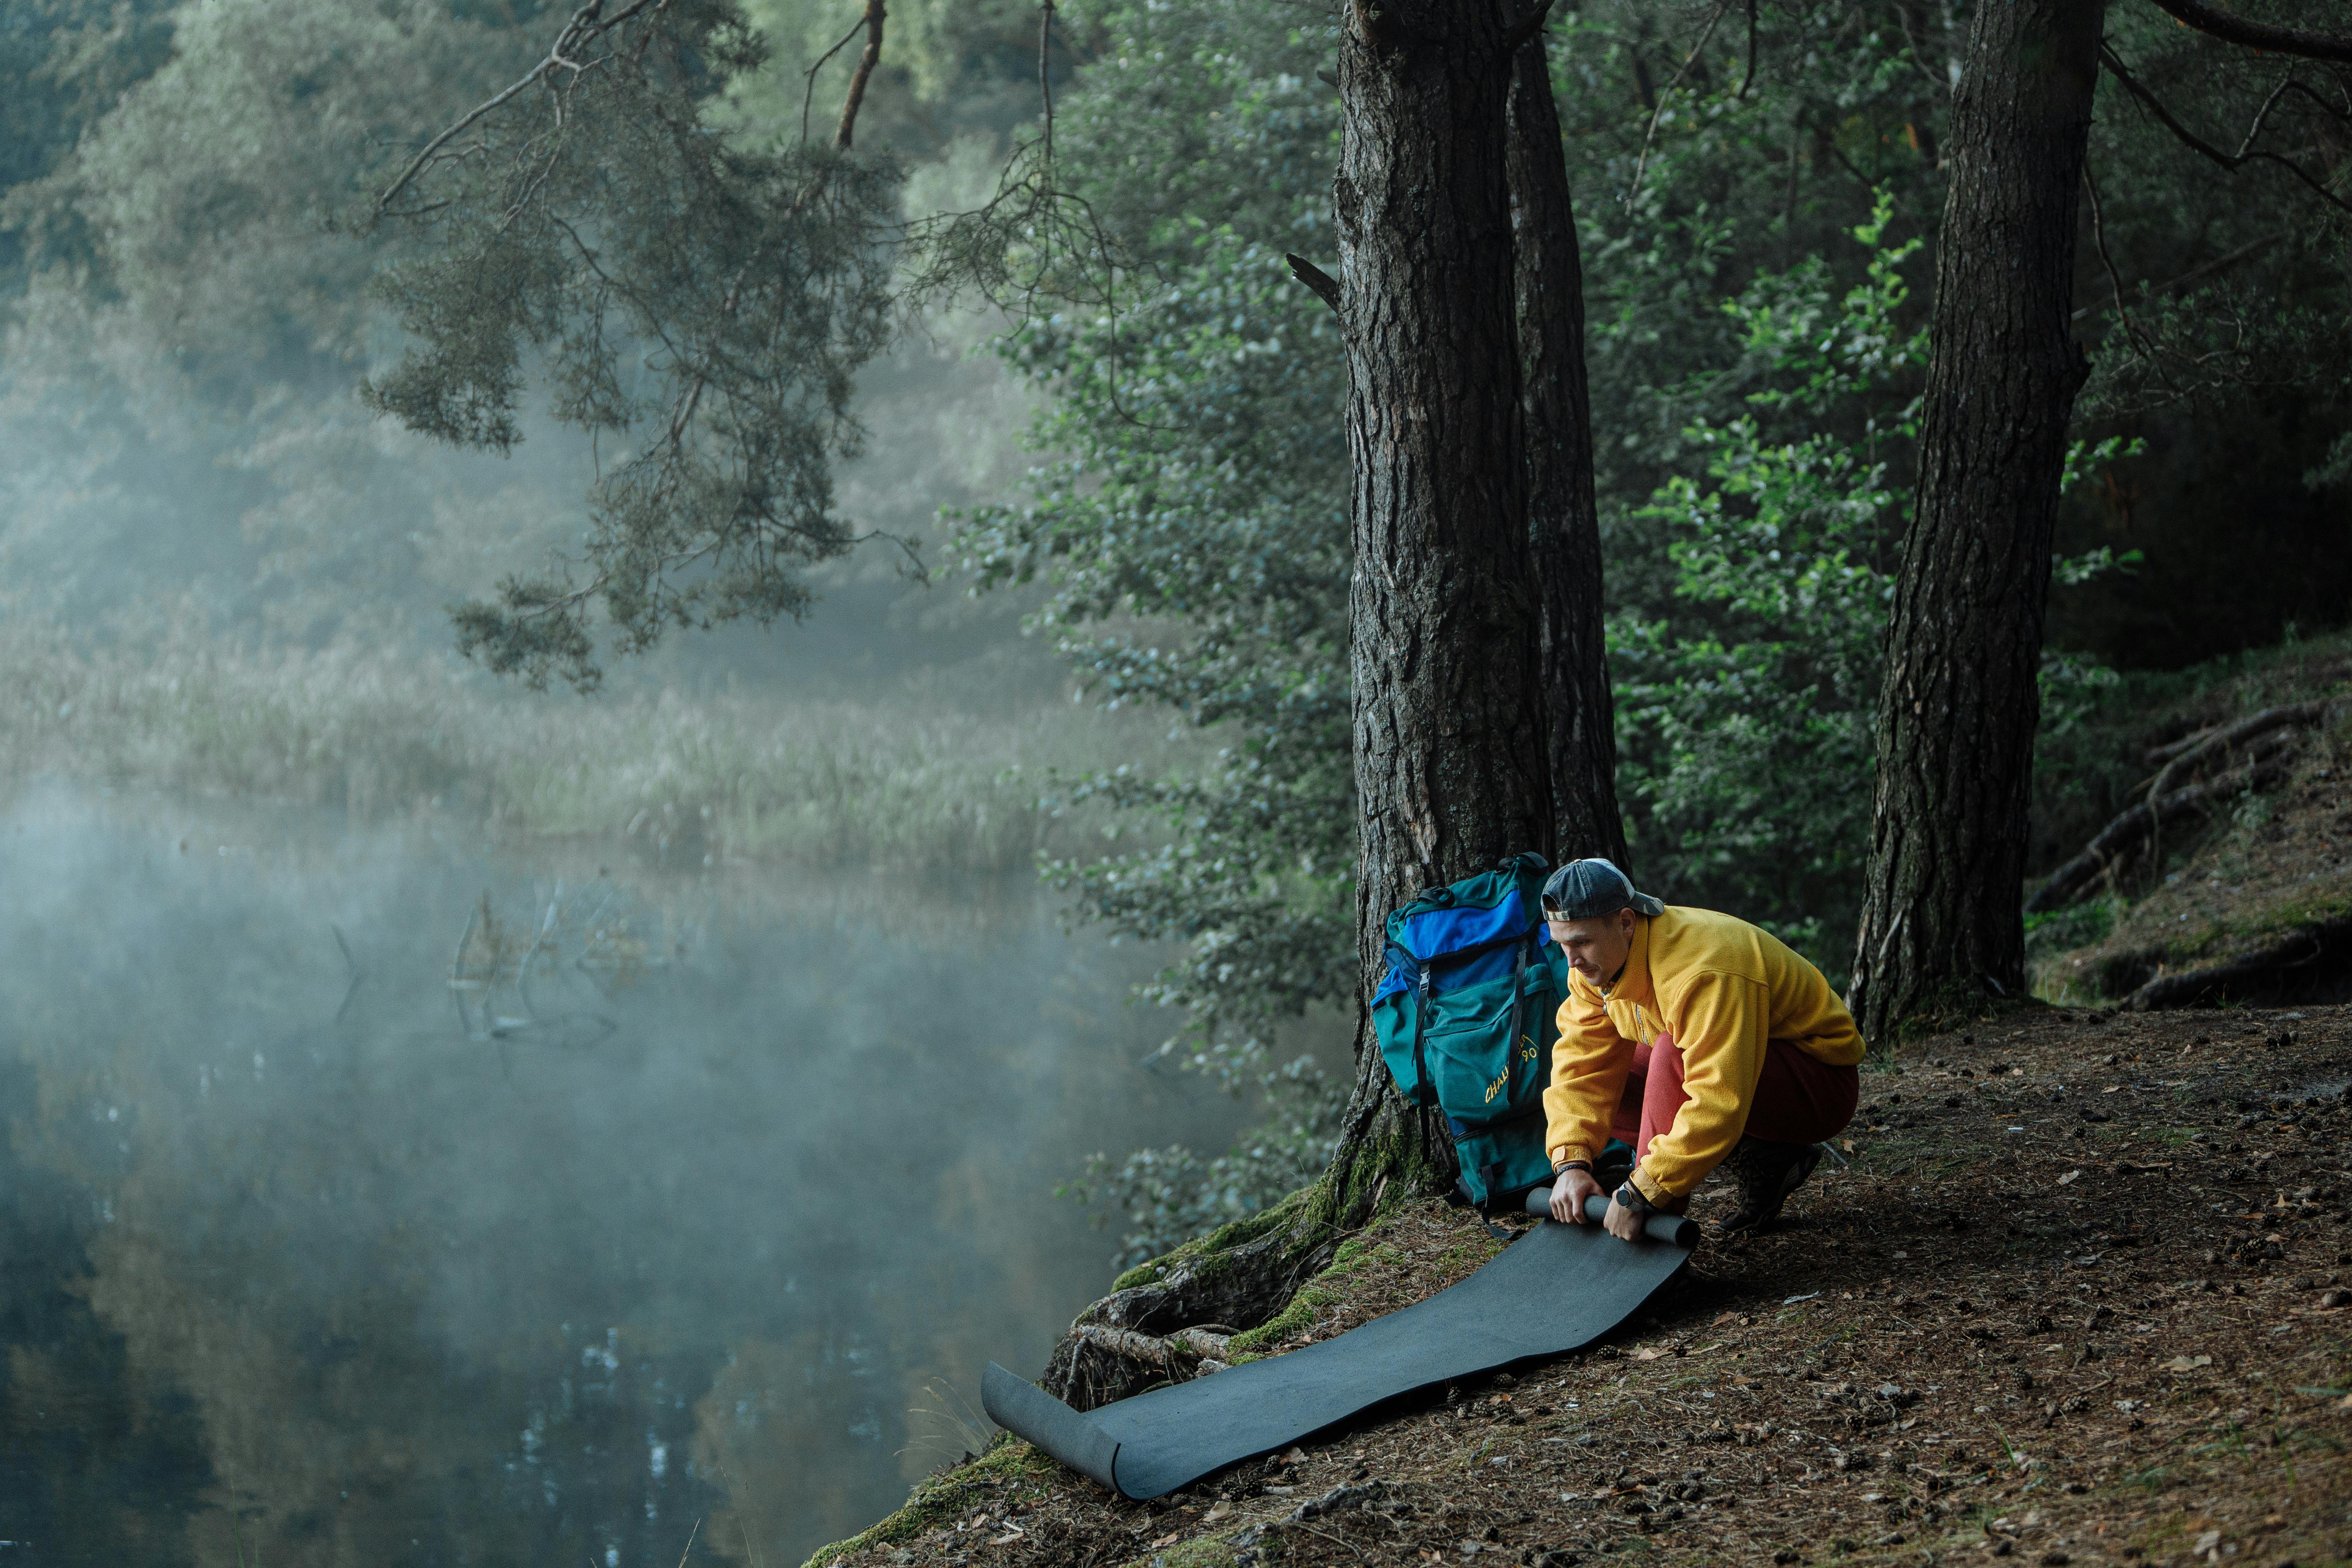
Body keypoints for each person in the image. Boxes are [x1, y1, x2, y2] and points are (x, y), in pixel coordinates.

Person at [1539, 858, 1863, 1239]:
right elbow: (1581, 1065)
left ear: (1626, 922)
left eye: (1581, 942)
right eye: (1561, 944)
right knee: (1618, 1074)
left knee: (1669, 1053)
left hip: (1819, 1086)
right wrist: (1571, 1163)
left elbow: (1717, 1095)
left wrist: (1641, 1195)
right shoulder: (1595, 969)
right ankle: (1770, 1156)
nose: (1572, 961)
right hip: (1742, 1071)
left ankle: (1656, 1243)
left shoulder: (1703, 969)